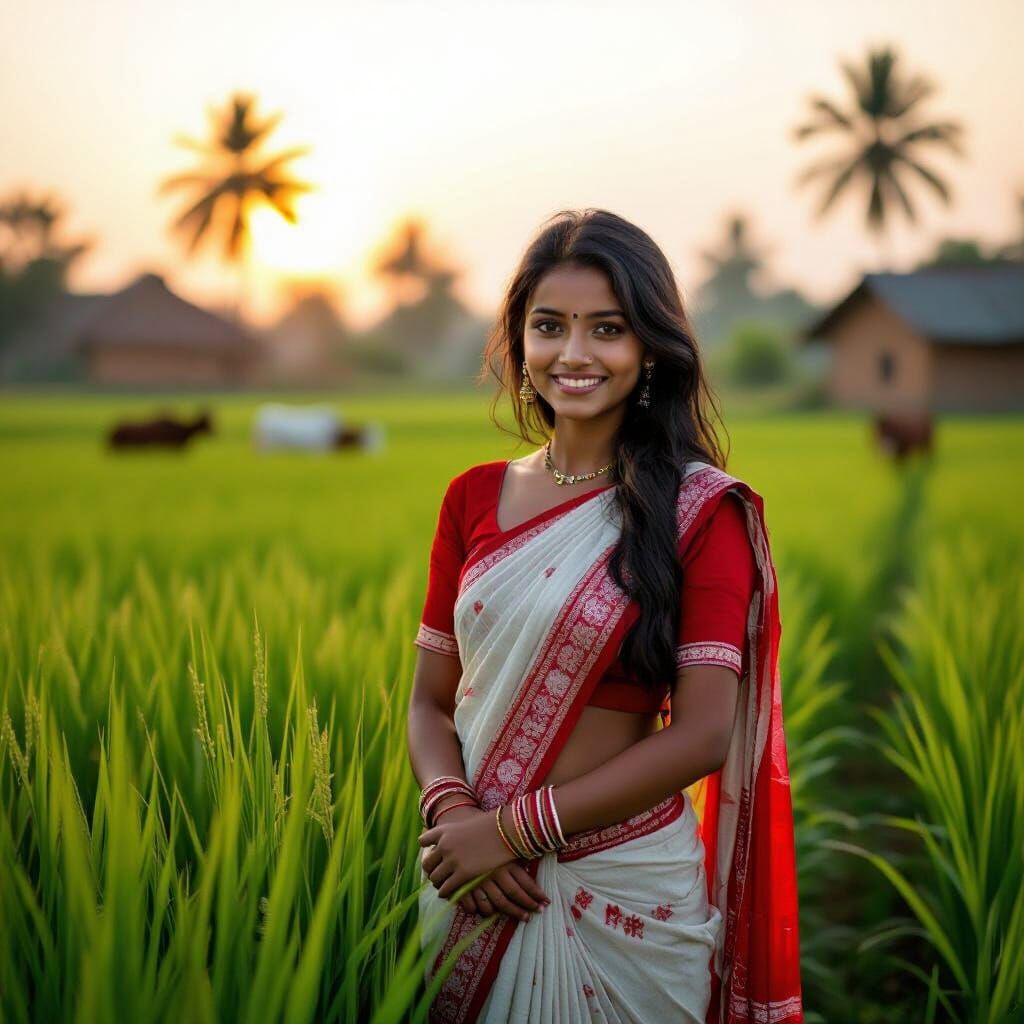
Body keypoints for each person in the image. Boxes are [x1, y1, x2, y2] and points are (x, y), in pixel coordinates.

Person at [406, 208, 802, 1024]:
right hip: (472, 880)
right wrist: (454, 817)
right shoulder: (472, 497)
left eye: (607, 329)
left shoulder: (700, 512)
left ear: (650, 349)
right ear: (518, 343)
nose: (573, 354)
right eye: (548, 326)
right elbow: (429, 702)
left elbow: (700, 734)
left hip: (620, 891)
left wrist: (515, 833)